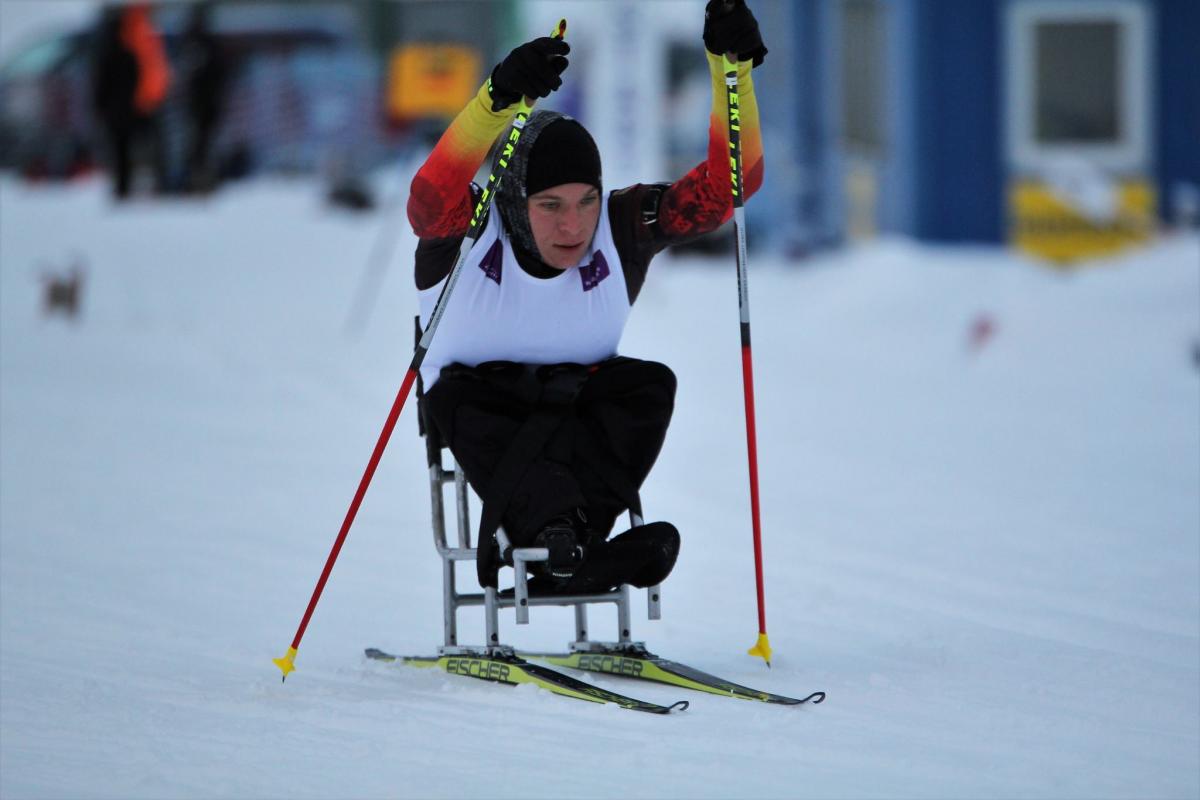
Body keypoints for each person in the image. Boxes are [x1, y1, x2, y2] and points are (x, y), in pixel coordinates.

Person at [407, 0, 767, 593]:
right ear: (516, 202)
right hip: (478, 409)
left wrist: (734, 74)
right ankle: (553, 547)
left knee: (648, 385)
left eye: (586, 201)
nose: (574, 226)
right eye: (550, 205)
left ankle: (575, 548)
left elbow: (728, 191)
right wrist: (493, 103)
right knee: (466, 403)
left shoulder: (620, 226)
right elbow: (427, 201)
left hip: (572, 405)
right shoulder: (472, 225)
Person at [90, 3, 172, 199]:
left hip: (136, 103)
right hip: (141, 102)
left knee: (127, 148)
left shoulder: (132, 37)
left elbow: (103, 79)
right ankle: (148, 184)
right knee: (142, 146)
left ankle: (128, 186)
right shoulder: (141, 35)